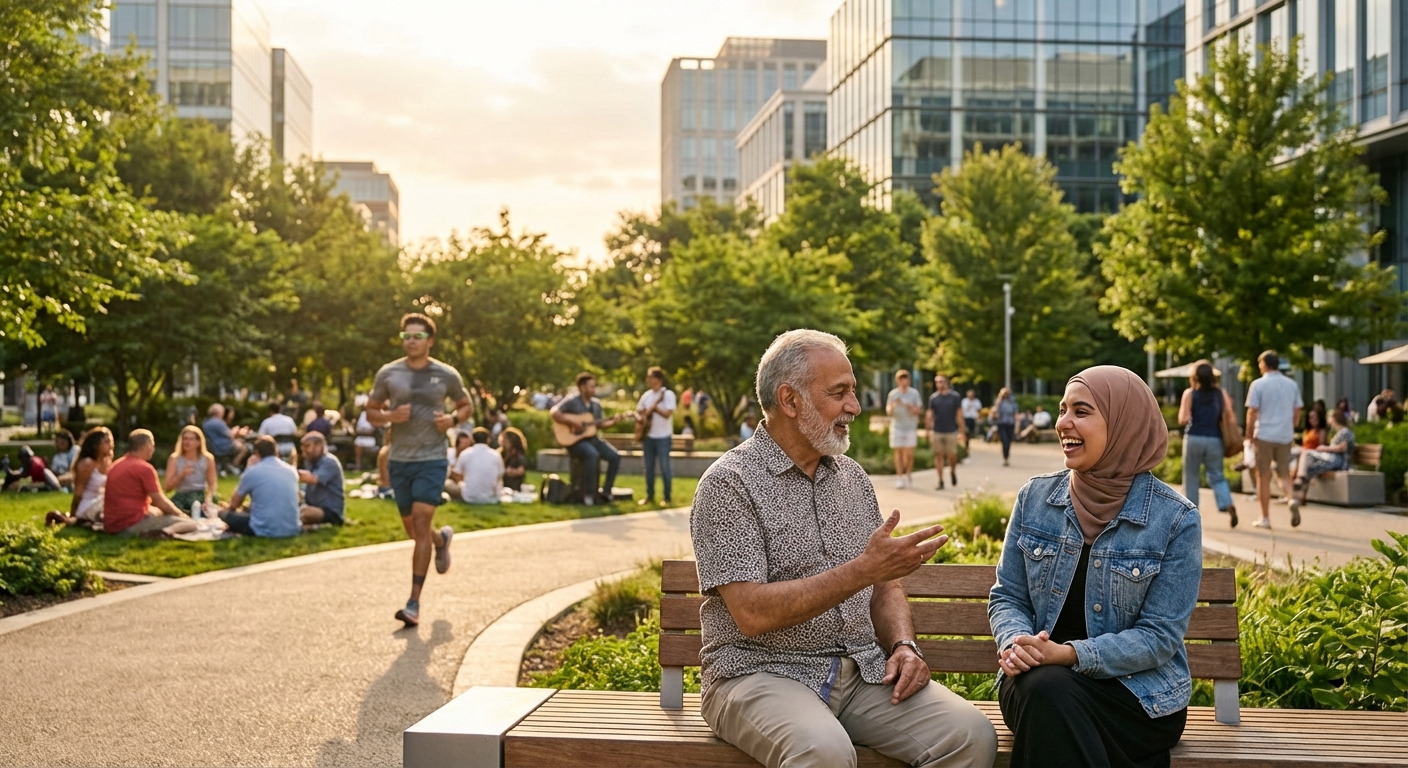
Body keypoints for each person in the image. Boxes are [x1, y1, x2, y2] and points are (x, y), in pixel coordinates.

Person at [692, 329, 997, 768]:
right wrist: (863, 570)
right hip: (758, 672)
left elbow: (885, 586)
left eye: (853, 391)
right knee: (825, 753)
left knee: (969, 735)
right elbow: (752, 613)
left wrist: (904, 646)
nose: (854, 407)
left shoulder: (852, 477)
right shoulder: (728, 484)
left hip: (861, 673)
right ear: (790, 400)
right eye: (840, 393)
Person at [990, 365, 1200, 768]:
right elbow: (1008, 597)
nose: (1063, 423)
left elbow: (1158, 636)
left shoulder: (1174, 519)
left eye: (1081, 412)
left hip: (1137, 698)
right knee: (1046, 690)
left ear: (1125, 424)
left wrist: (1069, 654)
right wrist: (1018, 643)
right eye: (1063, 409)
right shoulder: (1034, 498)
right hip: (1035, 684)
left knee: (1051, 700)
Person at [366, 313, 471, 627]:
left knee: (422, 522)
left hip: (432, 458)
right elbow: (371, 412)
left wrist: (452, 420)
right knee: (415, 532)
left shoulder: (446, 374)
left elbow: (466, 406)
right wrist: (389, 417)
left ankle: (413, 603)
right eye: (406, 336)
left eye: (417, 336)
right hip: (400, 460)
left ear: (430, 340)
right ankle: (441, 542)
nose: (411, 341)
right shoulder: (389, 373)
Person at [551, 372, 628, 505]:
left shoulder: (596, 404)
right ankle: (588, 494)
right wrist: (572, 422)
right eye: (590, 386)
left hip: (592, 439)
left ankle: (606, 492)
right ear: (582, 387)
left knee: (615, 456)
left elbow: (600, 424)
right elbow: (554, 412)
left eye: (594, 386)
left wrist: (614, 421)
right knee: (592, 454)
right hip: (575, 441)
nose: (593, 389)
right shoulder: (572, 401)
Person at [1178, 361, 1239, 528]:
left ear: (1194, 377)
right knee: (1217, 475)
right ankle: (1227, 504)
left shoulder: (1190, 394)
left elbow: (1183, 418)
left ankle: (1191, 516)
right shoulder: (1221, 394)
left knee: (1191, 477)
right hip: (1215, 439)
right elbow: (1230, 417)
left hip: (1194, 438)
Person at [1245, 350, 1302, 528]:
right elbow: (1298, 409)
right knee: (1284, 473)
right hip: (1285, 435)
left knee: (1263, 476)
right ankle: (1291, 499)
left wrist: (1248, 434)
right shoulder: (1291, 384)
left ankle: (1265, 518)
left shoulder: (1258, 384)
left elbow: (1252, 411)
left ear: (1264, 364)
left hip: (1264, 434)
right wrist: (1291, 426)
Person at [103, 430, 191, 536]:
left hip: (111, 525)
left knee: (157, 512)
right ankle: (164, 532)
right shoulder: (144, 468)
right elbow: (159, 500)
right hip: (131, 525)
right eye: (152, 444)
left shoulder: (115, 465)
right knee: (190, 524)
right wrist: (180, 515)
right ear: (148, 445)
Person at [218, 436, 301, 538]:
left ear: (256, 453)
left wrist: (248, 468)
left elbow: (234, 504)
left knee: (223, 513)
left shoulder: (253, 472)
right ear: (276, 451)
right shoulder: (291, 471)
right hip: (292, 528)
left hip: (263, 529)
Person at [1288, 409, 1356, 518]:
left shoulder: (1345, 432)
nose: (1328, 421)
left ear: (1334, 419)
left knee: (1307, 454)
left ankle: (1299, 479)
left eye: (1330, 418)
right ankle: (1301, 496)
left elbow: (1342, 447)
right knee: (1309, 465)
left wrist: (1326, 448)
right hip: (1333, 459)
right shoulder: (1339, 432)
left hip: (1339, 461)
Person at [48, 427, 113, 527]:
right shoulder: (87, 463)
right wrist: (73, 515)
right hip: (87, 506)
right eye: (106, 442)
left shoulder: (106, 462)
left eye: (111, 441)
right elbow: (78, 494)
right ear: (96, 445)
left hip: (100, 503)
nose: (111, 445)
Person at [636, 366, 677, 507]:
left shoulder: (668, 395)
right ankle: (650, 495)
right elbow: (640, 412)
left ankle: (667, 497)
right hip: (648, 436)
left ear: (658, 379)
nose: (648, 380)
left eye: (651, 377)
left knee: (665, 467)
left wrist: (655, 407)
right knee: (649, 467)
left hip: (663, 437)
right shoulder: (646, 396)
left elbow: (667, 414)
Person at [164, 425, 218, 514]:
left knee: (208, 510)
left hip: (201, 494)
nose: (187, 442)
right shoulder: (174, 458)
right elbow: (167, 488)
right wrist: (181, 475)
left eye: (191, 439)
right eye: (185, 439)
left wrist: (208, 498)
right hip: (182, 495)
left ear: (198, 442)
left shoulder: (208, 458)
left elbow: (212, 485)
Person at [298, 432, 345, 528]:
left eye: (307, 446)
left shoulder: (329, 462)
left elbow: (313, 479)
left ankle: (320, 525)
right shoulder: (310, 463)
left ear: (319, 446)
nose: (304, 450)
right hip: (312, 506)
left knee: (304, 513)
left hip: (329, 510)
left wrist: (288, 472)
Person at [885, 370, 924, 489]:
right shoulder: (893, 394)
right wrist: (894, 405)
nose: (903, 381)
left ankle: (908, 473)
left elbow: (919, 411)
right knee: (898, 452)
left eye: (905, 379)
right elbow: (888, 412)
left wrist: (909, 406)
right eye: (901, 379)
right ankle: (900, 477)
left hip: (910, 427)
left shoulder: (914, 393)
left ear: (909, 380)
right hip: (897, 427)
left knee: (909, 454)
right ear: (898, 381)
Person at [927, 374, 965, 489]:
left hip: (951, 430)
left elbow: (959, 414)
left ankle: (952, 471)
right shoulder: (933, 398)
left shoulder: (954, 397)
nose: (939, 384)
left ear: (947, 382)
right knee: (938, 455)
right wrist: (928, 429)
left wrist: (962, 431)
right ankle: (940, 480)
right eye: (937, 382)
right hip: (937, 430)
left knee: (952, 455)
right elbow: (930, 414)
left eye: (942, 381)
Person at [452, 427, 504, 504]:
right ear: (488, 439)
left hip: (468, 497)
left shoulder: (465, 453)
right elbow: (500, 475)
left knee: (448, 484)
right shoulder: (496, 455)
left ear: (472, 439)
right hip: (491, 497)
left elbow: (456, 473)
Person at [203, 403, 250, 471]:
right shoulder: (218, 422)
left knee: (239, 442)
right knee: (244, 448)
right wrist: (236, 430)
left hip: (212, 446)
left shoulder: (206, 422)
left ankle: (229, 466)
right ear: (219, 412)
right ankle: (234, 466)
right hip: (222, 446)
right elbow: (230, 435)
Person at [993, 388, 1018, 466]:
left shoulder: (1012, 402)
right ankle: (1005, 457)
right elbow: (994, 411)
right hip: (1002, 424)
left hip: (1010, 424)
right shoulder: (999, 402)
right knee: (1005, 441)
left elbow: (1016, 414)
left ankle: (1007, 457)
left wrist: (1017, 426)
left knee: (1009, 441)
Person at [499, 427, 528, 492]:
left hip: (513, 487)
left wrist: (509, 471)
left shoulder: (518, 456)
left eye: (506, 440)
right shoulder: (501, 453)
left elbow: (521, 470)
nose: (503, 442)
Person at [353, 406, 378, 471]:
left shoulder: (374, 415)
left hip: (370, 439)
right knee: (358, 444)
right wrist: (364, 431)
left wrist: (364, 431)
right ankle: (358, 467)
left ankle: (374, 466)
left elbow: (373, 430)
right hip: (361, 438)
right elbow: (357, 429)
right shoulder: (362, 415)